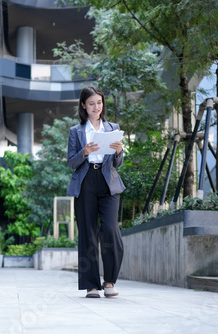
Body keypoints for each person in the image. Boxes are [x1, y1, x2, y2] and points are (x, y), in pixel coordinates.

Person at [67, 85, 126, 298]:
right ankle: (91, 285)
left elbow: (118, 162)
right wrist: (83, 152)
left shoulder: (112, 128)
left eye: (99, 103)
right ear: (84, 105)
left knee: (110, 229)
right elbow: (71, 163)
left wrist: (119, 151)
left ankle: (110, 281)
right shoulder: (76, 131)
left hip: (108, 181)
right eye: (91, 103)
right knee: (88, 234)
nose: (96, 107)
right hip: (85, 182)